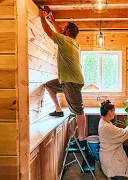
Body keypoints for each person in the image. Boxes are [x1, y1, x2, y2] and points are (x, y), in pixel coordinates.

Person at [38, 10, 86, 142]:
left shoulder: (64, 40)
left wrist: (43, 18)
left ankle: (82, 136)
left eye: (65, 29)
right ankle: (58, 110)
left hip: (71, 81)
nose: (63, 30)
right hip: (66, 81)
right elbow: (60, 31)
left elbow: (50, 33)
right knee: (49, 86)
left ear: (67, 32)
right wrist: (52, 18)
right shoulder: (74, 43)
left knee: (79, 110)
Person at [98, 100, 128, 178]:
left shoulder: (103, 121)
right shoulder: (107, 127)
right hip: (110, 159)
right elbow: (126, 133)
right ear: (109, 112)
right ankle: (117, 175)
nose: (115, 113)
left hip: (107, 152)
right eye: (114, 111)